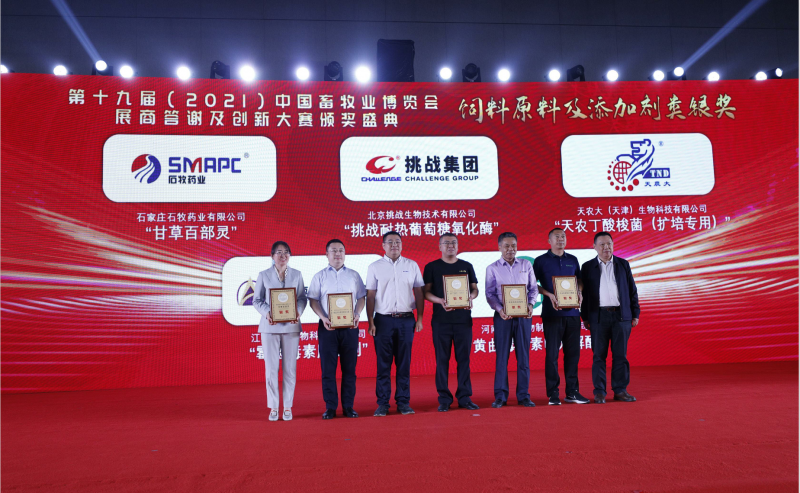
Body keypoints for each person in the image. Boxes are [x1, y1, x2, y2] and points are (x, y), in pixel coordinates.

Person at [365, 231, 425, 417]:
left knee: (404, 363)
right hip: (383, 320)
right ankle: (383, 403)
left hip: (406, 319)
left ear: (402, 244)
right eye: (390, 242)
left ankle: (403, 402)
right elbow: (370, 296)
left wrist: (420, 318)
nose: (394, 245)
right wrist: (371, 321)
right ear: (383, 245)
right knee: (383, 364)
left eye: (397, 242)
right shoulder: (375, 267)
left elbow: (419, 292)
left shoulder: (411, 265)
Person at [308, 239, 367, 420]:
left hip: (350, 326)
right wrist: (323, 317)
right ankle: (330, 407)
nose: (338, 254)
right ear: (327, 254)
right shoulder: (319, 276)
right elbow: (313, 300)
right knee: (328, 370)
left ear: (345, 253)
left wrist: (357, 313)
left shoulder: (354, 275)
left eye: (341, 250)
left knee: (349, 370)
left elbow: (361, 297)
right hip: (328, 327)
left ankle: (348, 406)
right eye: (333, 250)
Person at [422, 233, 480, 412]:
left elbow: (475, 289)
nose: (450, 246)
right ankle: (444, 399)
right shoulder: (432, 267)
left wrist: (470, 297)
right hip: (441, 321)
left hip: (463, 321)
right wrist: (440, 301)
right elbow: (426, 292)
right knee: (442, 360)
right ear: (439, 246)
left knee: (464, 360)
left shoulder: (466, 266)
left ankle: (464, 397)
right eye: (446, 243)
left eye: (453, 242)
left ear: (458, 245)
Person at [580, 232, 640, 404]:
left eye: (609, 244)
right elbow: (584, 294)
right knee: (599, 356)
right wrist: (585, 317)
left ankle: (620, 390)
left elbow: (632, 290)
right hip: (598, 316)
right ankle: (599, 392)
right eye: (602, 244)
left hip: (621, 316)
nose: (606, 247)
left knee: (620, 355)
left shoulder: (623, 264)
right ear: (594, 247)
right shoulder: (587, 267)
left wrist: (635, 313)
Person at [533, 228, 590, 405]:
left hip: (573, 313)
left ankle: (572, 392)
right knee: (552, 355)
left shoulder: (572, 259)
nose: (560, 239)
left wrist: (579, 291)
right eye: (556, 237)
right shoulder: (540, 261)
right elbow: (532, 284)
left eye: (563, 236)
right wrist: (549, 295)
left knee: (573, 354)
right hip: (552, 314)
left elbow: (579, 280)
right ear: (549, 241)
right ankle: (553, 393)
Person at [252, 241, 308, 421]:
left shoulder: (297, 275)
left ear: (289, 255)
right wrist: (267, 313)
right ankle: (274, 407)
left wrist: (298, 312)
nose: (283, 256)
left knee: (289, 369)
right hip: (270, 326)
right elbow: (256, 300)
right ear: (272, 256)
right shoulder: (264, 275)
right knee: (271, 369)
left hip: (291, 326)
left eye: (286, 252)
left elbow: (302, 298)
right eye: (279, 252)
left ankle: (288, 406)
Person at [485, 232, 538, 408]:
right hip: (503, 317)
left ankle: (524, 395)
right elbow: (490, 294)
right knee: (502, 357)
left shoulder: (526, 265)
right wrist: (500, 309)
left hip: (523, 317)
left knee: (523, 357)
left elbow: (533, 289)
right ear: (499, 247)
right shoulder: (492, 268)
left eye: (513, 245)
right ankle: (500, 396)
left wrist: (530, 304)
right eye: (506, 246)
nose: (510, 249)